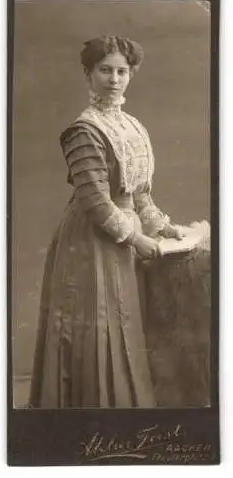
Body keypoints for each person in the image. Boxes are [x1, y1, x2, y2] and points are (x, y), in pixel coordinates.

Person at [29, 35, 186, 409]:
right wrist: (137, 239)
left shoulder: (132, 126)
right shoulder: (83, 130)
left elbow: (139, 193)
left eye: (122, 71)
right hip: (92, 240)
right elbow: (96, 201)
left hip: (126, 233)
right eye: (105, 70)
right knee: (98, 324)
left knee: (126, 323)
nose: (114, 79)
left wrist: (163, 227)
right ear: (88, 74)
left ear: (130, 74)